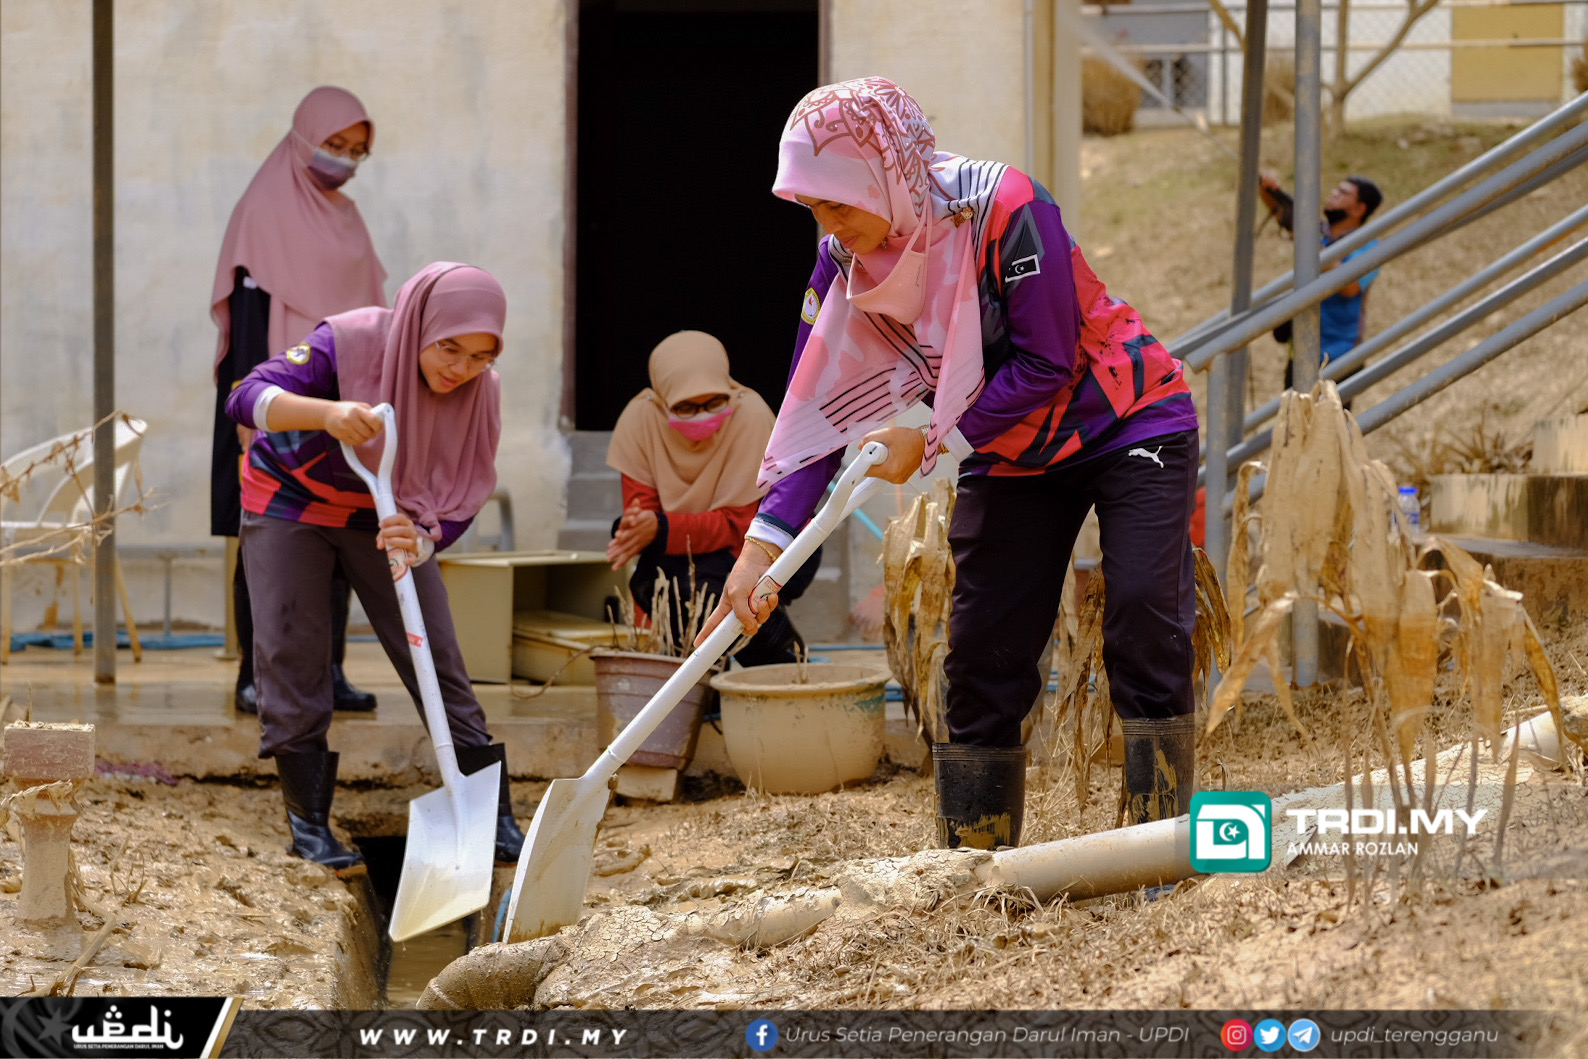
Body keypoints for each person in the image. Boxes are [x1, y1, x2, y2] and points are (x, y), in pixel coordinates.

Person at [699, 78, 1201, 849]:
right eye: (813, 208)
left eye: (836, 204)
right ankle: (973, 862)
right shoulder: (843, 262)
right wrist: (760, 548)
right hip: (1007, 448)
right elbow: (814, 414)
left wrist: (932, 443)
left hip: (1125, 418)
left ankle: (1158, 847)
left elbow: (1045, 360)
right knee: (983, 649)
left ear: (882, 177)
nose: (827, 226)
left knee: (1141, 618)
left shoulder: (1005, 208)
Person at [225, 262, 524, 874]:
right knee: (293, 652)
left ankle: (491, 819)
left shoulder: (480, 393)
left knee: (435, 654)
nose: (460, 369)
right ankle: (309, 826)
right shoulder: (351, 340)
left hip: (389, 514)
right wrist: (325, 414)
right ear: (421, 326)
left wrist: (423, 541)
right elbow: (244, 397)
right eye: (448, 348)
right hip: (290, 501)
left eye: (479, 357)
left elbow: (463, 491)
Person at [210, 86, 388, 716]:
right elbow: (249, 321)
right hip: (271, 403)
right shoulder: (264, 210)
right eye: (334, 144)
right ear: (304, 134)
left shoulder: (348, 220)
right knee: (265, 540)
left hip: (339, 406)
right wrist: (251, 410)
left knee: (341, 530)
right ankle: (255, 677)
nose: (343, 159)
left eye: (356, 150)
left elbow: (370, 321)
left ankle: (328, 673)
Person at [606, 331, 820, 666]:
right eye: (686, 407)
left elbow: (742, 525)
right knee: (651, 583)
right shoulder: (641, 421)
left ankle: (782, 664)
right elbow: (642, 517)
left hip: (768, 542)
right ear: (661, 401)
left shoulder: (749, 415)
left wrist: (662, 528)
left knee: (710, 589)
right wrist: (638, 528)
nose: (702, 415)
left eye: (714, 402)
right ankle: (703, 679)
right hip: (689, 550)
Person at [1257, 171, 1384, 388]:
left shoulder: (1370, 247)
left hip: (1340, 354)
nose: (1333, 193)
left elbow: (1349, 288)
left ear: (1359, 209)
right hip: (1302, 349)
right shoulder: (1317, 231)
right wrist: (1268, 188)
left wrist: (1311, 245)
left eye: (1343, 193)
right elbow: (1282, 211)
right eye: (1336, 189)